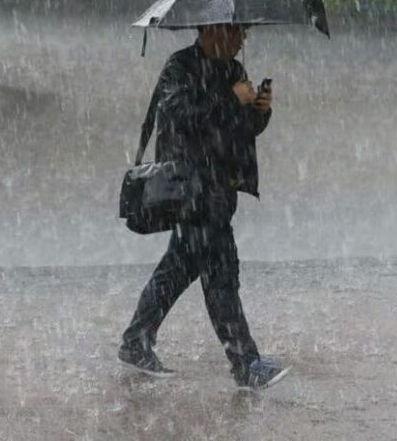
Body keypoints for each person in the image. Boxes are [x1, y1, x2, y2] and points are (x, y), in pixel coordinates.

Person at [119, 23, 289, 390]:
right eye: (238, 31)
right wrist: (231, 100)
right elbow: (181, 117)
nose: (243, 39)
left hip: (220, 189)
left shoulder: (234, 70)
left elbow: (240, 128)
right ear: (213, 30)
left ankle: (136, 341)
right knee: (221, 276)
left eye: (244, 32)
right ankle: (245, 363)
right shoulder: (179, 67)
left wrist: (259, 111)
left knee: (178, 270)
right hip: (192, 191)